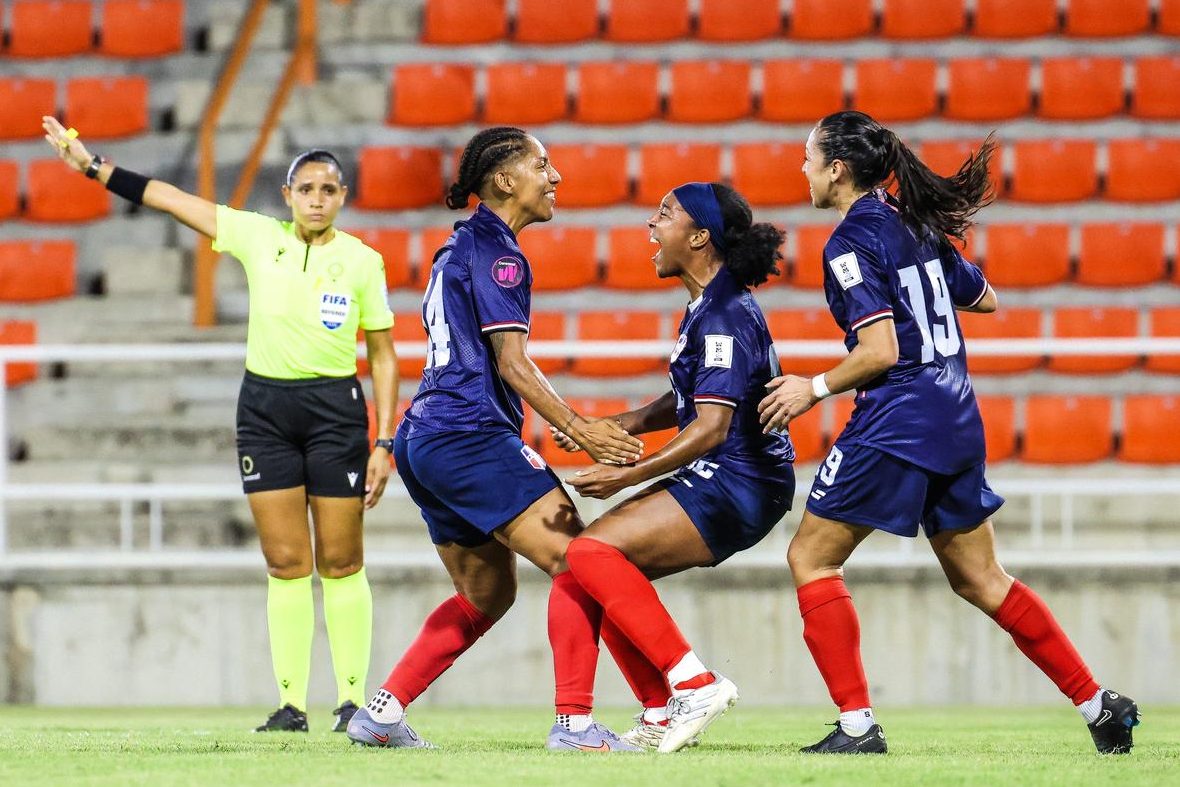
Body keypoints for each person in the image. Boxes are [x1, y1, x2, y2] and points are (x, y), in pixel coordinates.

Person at [757, 110, 1140, 755]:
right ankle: (1099, 704)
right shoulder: (917, 225)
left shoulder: (850, 242)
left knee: (811, 557)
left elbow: (878, 351)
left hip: (898, 419)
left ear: (838, 169)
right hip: (958, 415)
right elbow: (984, 297)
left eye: (808, 156)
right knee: (981, 579)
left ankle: (857, 727)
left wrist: (812, 388)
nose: (803, 169)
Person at [42, 117, 397, 734]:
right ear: (286, 196)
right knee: (286, 561)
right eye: (306, 188)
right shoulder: (257, 236)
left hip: (336, 414)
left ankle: (352, 702)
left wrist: (385, 441)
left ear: (343, 198)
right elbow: (171, 198)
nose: (317, 198)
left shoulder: (364, 262)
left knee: (340, 561)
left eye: (329, 189)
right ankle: (291, 707)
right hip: (265, 412)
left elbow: (384, 356)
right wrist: (93, 167)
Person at [346, 126, 645, 752]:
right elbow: (511, 363)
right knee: (580, 558)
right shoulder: (500, 253)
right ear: (505, 179)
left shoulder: (460, 246)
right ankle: (574, 724)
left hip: (423, 439)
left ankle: (381, 711)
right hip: (466, 433)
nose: (555, 176)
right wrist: (579, 428)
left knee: (487, 592)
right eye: (543, 164)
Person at [557, 182, 795, 754]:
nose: (651, 225)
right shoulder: (708, 304)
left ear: (698, 236)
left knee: (591, 555)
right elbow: (691, 397)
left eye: (665, 215)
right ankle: (663, 709)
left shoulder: (723, 315)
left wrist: (625, 475)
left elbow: (712, 426)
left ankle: (693, 684)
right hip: (729, 474)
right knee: (593, 573)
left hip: (743, 480)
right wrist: (624, 422)